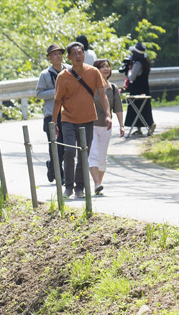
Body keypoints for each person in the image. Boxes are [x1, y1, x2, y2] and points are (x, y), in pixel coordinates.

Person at [52, 42, 109, 200]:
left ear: (84, 54)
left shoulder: (93, 72)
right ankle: (68, 187)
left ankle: (80, 187)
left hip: (88, 119)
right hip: (68, 119)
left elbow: (102, 95)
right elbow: (57, 101)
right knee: (69, 151)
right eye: (75, 54)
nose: (78, 56)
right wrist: (54, 123)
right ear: (69, 57)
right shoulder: (63, 77)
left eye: (81, 53)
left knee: (84, 153)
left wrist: (108, 114)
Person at [88, 58, 125, 195]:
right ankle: (97, 183)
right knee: (94, 154)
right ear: (96, 70)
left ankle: (99, 184)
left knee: (102, 157)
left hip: (106, 127)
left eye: (108, 66)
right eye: (102, 66)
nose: (106, 69)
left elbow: (118, 108)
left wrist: (121, 125)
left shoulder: (113, 88)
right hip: (91, 125)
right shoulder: (90, 87)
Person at [35, 43, 65, 183]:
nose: (58, 56)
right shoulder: (45, 75)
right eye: (55, 54)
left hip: (68, 114)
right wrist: (56, 93)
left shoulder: (69, 71)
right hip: (51, 115)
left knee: (66, 147)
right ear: (49, 58)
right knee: (54, 145)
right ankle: (60, 175)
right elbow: (39, 93)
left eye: (60, 53)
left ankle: (52, 167)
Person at [123, 42, 154, 136]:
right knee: (144, 108)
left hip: (137, 90)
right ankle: (141, 128)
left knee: (136, 108)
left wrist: (128, 71)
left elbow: (132, 77)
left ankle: (148, 125)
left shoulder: (137, 63)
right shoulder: (146, 62)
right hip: (145, 89)